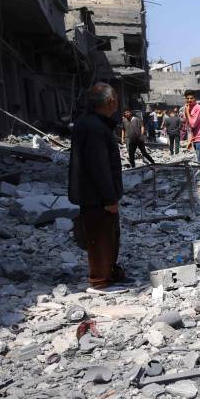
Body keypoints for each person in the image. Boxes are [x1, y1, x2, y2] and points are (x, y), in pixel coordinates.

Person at [68, 83, 130, 295]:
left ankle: (108, 274)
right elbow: (99, 167)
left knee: (107, 235)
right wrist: (110, 198)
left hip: (94, 195)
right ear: (111, 101)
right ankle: (99, 281)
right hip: (96, 197)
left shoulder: (91, 123)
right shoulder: (94, 127)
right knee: (100, 238)